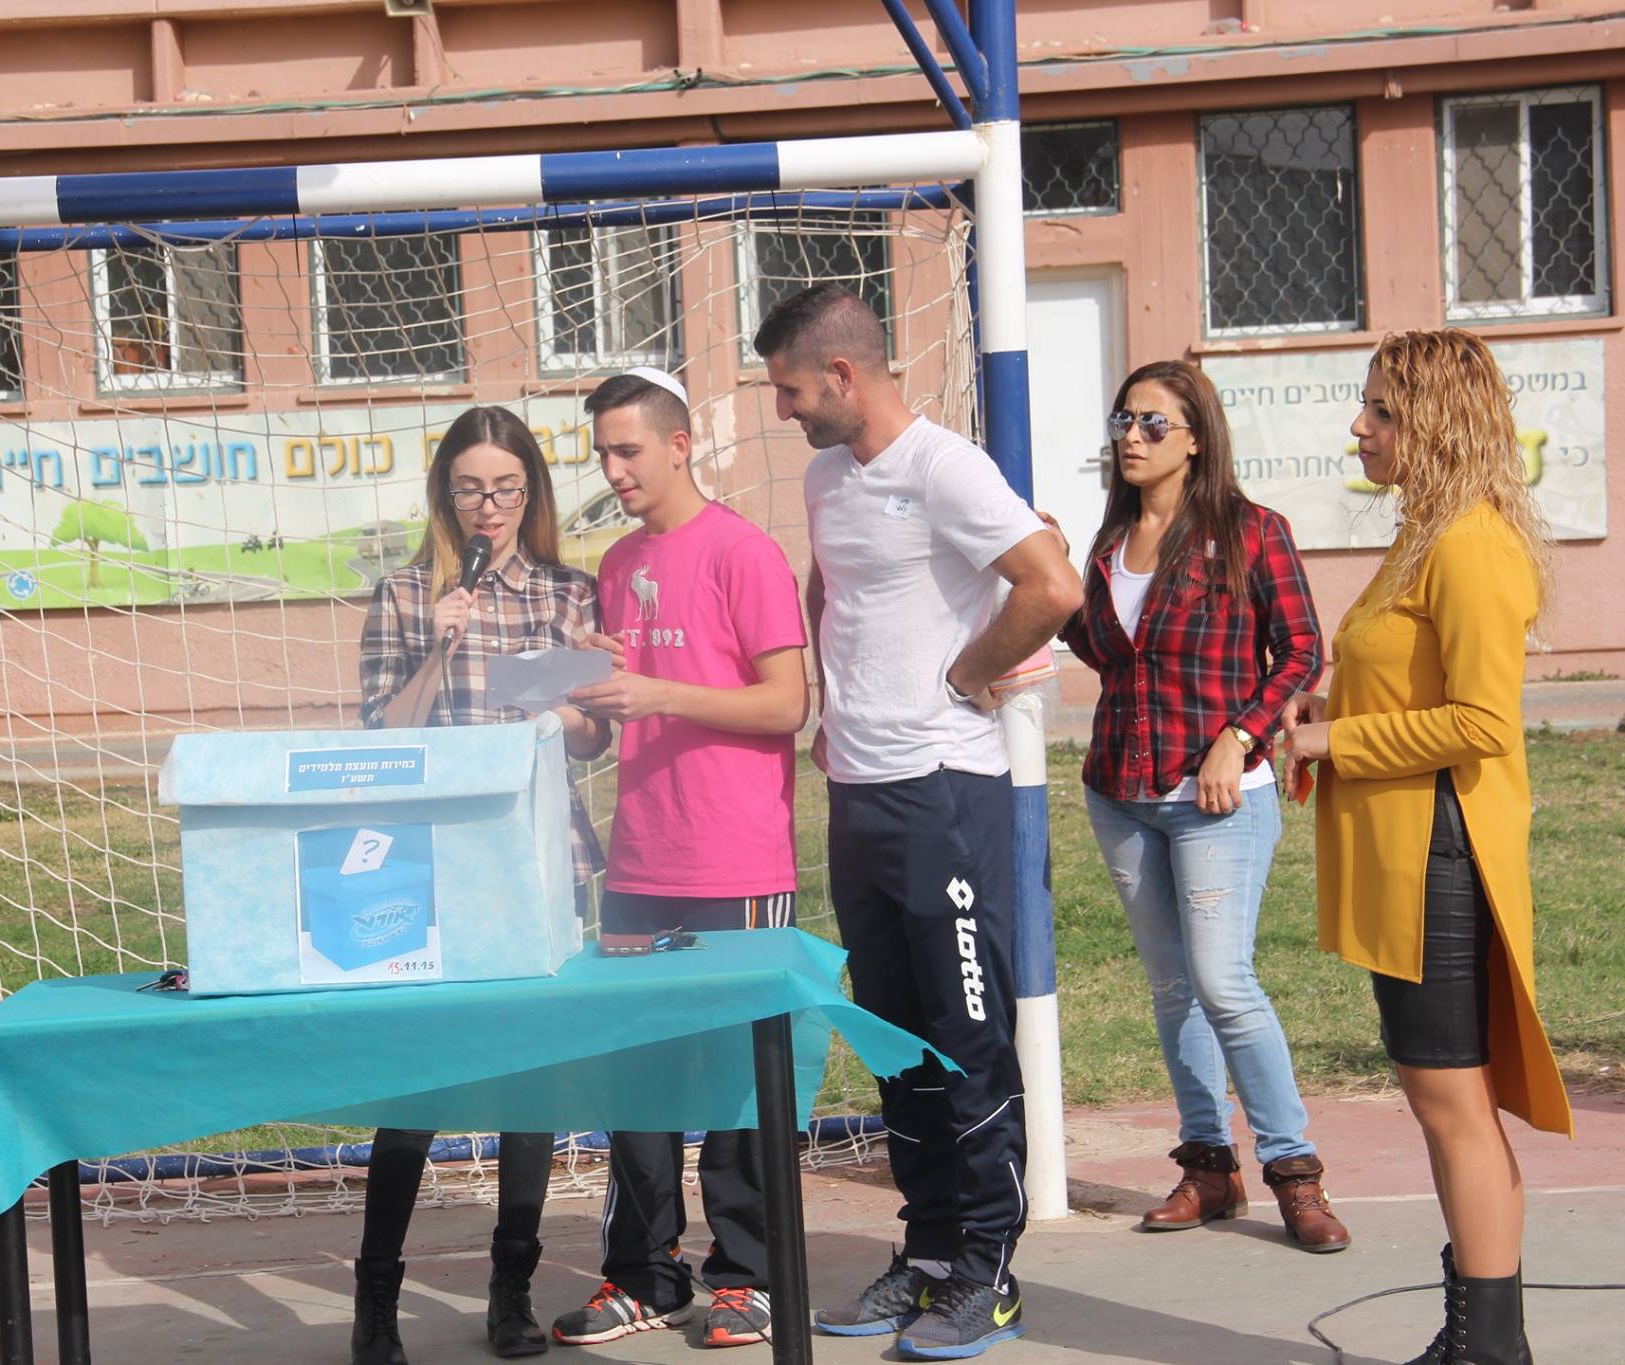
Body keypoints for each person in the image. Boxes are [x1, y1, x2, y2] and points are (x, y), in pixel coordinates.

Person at [754, 282, 1083, 1361]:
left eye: (790, 389)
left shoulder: (946, 468)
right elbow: (831, 589)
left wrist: (965, 675)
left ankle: (988, 1271)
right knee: (895, 1038)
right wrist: (833, 710)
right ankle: (930, 1253)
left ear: (843, 374)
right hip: (860, 792)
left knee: (965, 1033)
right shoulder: (826, 477)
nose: (783, 409)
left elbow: (1050, 586)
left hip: (945, 791)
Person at [1282, 329, 1572, 1365]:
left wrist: (1333, 740)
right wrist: (1332, 710)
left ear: (1438, 423)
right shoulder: (1427, 533)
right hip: (1406, 855)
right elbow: (1411, 685)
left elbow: (1481, 722)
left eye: (1383, 410)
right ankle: (1481, 1339)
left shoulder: (1471, 545)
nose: (1359, 427)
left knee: (1453, 1104)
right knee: (1443, 1100)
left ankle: (1488, 1347)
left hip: (1440, 859)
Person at [1056, 360, 1349, 1251]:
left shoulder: (1252, 531)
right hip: (1122, 793)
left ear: (1194, 438)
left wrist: (1242, 735)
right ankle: (1208, 1166)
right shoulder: (1112, 540)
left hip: (1219, 795)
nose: (1132, 437)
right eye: (1123, 420)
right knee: (1173, 986)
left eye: (1153, 422)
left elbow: (1301, 650)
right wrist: (1055, 579)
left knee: (1223, 981)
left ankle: (1293, 1169)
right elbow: (1109, 654)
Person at [547, 368, 810, 1350]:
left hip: (736, 863)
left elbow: (786, 704)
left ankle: (749, 1276)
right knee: (639, 1083)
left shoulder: (744, 552)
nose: (613, 469)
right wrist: (576, 689)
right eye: (602, 453)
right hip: (638, 863)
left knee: (741, 1084)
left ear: (678, 444)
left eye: (627, 450)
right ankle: (643, 1274)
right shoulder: (616, 565)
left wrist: (657, 692)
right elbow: (600, 732)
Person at [351, 404, 612, 1365]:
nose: (489, 507)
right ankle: (376, 1300)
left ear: (529, 491)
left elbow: (595, 734)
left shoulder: (566, 591)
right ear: (446, 496)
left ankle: (511, 1292)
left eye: (506, 488)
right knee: (417, 1080)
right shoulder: (405, 592)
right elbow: (380, 735)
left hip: (540, 861)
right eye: (470, 489)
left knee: (527, 1082)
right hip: (431, 868)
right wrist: (439, 645)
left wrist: (564, 707)